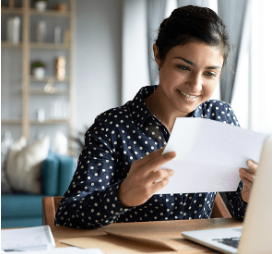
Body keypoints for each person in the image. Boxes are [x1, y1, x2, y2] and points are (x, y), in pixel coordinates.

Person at [55, 5, 258, 229]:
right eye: (183, 67)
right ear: (158, 55)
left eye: (210, 73)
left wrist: (252, 197)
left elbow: (241, 212)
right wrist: (120, 196)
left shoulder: (220, 118)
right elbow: (67, 215)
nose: (196, 84)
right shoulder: (112, 127)